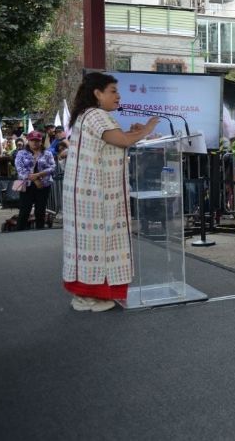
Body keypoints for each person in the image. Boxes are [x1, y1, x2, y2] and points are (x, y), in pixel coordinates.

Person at [62, 72, 160, 312]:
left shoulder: (86, 116)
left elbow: (116, 141)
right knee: (102, 243)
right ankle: (97, 294)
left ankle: (84, 295)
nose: (118, 96)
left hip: (85, 194)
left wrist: (134, 133)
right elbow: (123, 142)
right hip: (98, 195)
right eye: (113, 91)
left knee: (86, 245)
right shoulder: (97, 115)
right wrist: (147, 128)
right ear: (97, 94)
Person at [14, 131, 57, 230]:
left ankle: (40, 231)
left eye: (37, 140)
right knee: (25, 210)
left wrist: (39, 174)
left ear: (41, 141)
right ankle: (19, 232)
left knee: (40, 211)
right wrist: (35, 180)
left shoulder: (47, 153)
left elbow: (52, 167)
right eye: (32, 140)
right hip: (26, 186)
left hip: (44, 186)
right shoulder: (21, 153)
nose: (35, 143)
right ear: (28, 141)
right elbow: (20, 170)